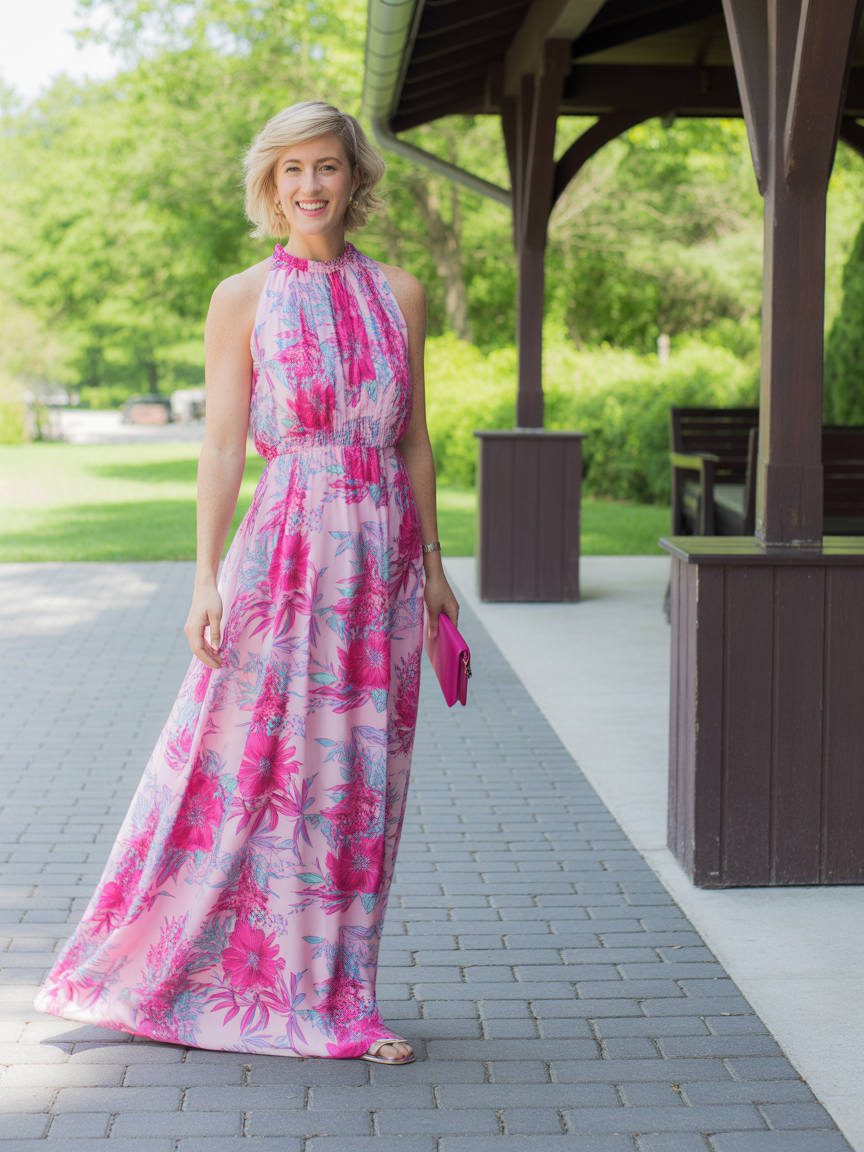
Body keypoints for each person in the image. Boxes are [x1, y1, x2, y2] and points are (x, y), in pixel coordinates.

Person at [34, 101, 459, 1066]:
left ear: (355, 178)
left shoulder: (401, 291)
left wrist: (434, 566)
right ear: (271, 184)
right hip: (285, 556)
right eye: (291, 170)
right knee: (249, 767)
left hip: (383, 567)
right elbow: (224, 446)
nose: (311, 185)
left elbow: (415, 441)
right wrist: (204, 578)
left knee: (359, 783)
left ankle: (341, 997)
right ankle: (198, 971)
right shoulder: (242, 296)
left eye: (327, 166)